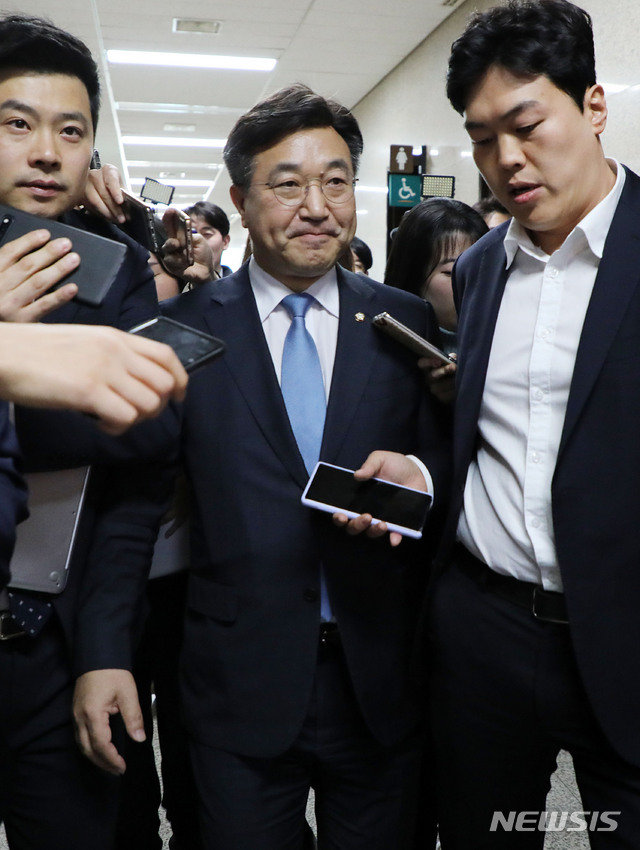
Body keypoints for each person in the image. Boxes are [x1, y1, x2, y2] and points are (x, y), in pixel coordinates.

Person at [82, 83, 448, 849]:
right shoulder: (178, 332)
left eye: (336, 181)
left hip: (378, 676)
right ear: (241, 203)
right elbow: (133, 503)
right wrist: (105, 654)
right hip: (236, 682)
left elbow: (441, 461)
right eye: (287, 185)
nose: (317, 206)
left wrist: (421, 474)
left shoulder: (400, 322)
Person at [352, 0, 640, 845]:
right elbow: (489, 437)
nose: (505, 160)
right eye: (482, 139)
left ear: (593, 106)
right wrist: (425, 473)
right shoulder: (480, 270)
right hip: (486, 634)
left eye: (526, 125)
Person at [0, 14, 182, 850]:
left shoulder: (111, 276)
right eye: (17, 123)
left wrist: (105, 651)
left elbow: (139, 468)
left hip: (57, 642)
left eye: (70, 131)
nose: (46, 152)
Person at [384, 198, 487, 353]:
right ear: (413, 275)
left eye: (479, 271)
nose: (469, 283)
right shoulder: (381, 350)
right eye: (451, 272)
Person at [186, 201, 232, 277]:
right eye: (191, 234)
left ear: (225, 242)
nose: (197, 239)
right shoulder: (170, 283)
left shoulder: (242, 284)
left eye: (207, 234)